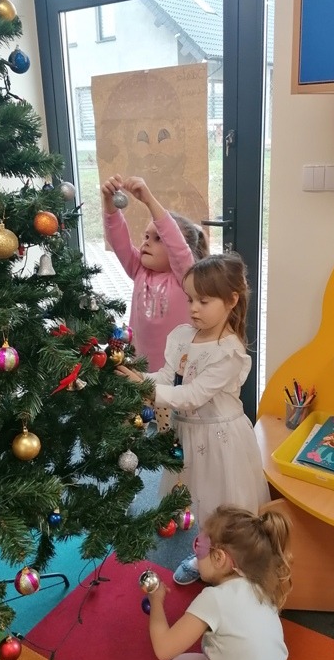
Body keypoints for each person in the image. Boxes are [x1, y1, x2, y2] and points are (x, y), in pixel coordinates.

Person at [116, 252, 271, 584]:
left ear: (231, 300)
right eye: (189, 299)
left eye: (204, 300)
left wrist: (143, 387)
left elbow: (192, 395)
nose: (194, 308)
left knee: (224, 508)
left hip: (220, 440)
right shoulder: (182, 336)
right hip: (188, 435)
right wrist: (138, 377)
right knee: (198, 502)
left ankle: (233, 569)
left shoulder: (229, 351)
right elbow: (169, 378)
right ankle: (204, 558)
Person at [134, 504, 293, 660]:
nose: (195, 554)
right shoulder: (261, 588)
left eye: (198, 547)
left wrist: (156, 600)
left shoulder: (214, 599)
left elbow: (163, 648)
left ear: (219, 558)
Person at [102, 174, 208, 371]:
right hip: (139, 371)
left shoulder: (186, 278)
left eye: (158, 239)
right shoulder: (139, 269)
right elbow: (118, 240)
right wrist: (109, 202)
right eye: (146, 236)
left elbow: (176, 243)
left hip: (176, 376)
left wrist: (149, 200)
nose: (147, 242)